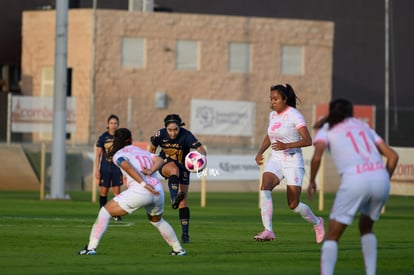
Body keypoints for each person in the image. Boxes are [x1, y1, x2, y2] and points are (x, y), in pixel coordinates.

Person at [307, 99, 398, 275]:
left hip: (355, 179)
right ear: (351, 113)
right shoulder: (364, 127)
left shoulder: (327, 129)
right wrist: (383, 180)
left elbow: (317, 156)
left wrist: (312, 181)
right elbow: (393, 156)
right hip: (381, 178)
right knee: (366, 227)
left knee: (333, 235)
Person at [79, 128, 186, 256]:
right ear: (130, 140)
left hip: (141, 191)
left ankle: (91, 248)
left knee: (105, 211)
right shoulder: (142, 152)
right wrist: (151, 171)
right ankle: (178, 250)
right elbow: (160, 159)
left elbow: (126, 166)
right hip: (157, 190)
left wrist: (143, 183)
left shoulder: (118, 154)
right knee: (157, 221)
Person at [254, 83, 325, 243]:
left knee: (293, 204)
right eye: (271, 99)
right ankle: (268, 230)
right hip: (276, 159)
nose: (272, 102)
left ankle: (317, 222)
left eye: (276, 99)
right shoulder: (273, 115)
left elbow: (308, 140)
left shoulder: (295, 115)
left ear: (285, 99)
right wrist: (260, 152)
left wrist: (287, 145)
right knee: (265, 187)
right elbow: (269, 135)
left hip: (293, 161)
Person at [149, 114, 207, 243]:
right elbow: (152, 149)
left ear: (179, 127)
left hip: (184, 167)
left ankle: (185, 234)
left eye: (175, 129)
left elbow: (202, 150)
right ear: (166, 128)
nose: (173, 132)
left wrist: (201, 160)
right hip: (165, 164)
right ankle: (174, 197)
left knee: (183, 203)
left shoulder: (186, 135)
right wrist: (151, 164)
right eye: (170, 130)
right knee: (173, 169)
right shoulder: (160, 134)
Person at [95, 114, 123, 221]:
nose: (113, 125)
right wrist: (97, 170)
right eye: (111, 123)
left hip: (117, 167)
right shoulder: (103, 137)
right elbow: (98, 155)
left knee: (117, 191)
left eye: (115, 123)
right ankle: (102, 211)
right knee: (104, 190)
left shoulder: (120, 137)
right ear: (108, 124)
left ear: (118, 124)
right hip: (105, 167)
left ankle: (116, 213)